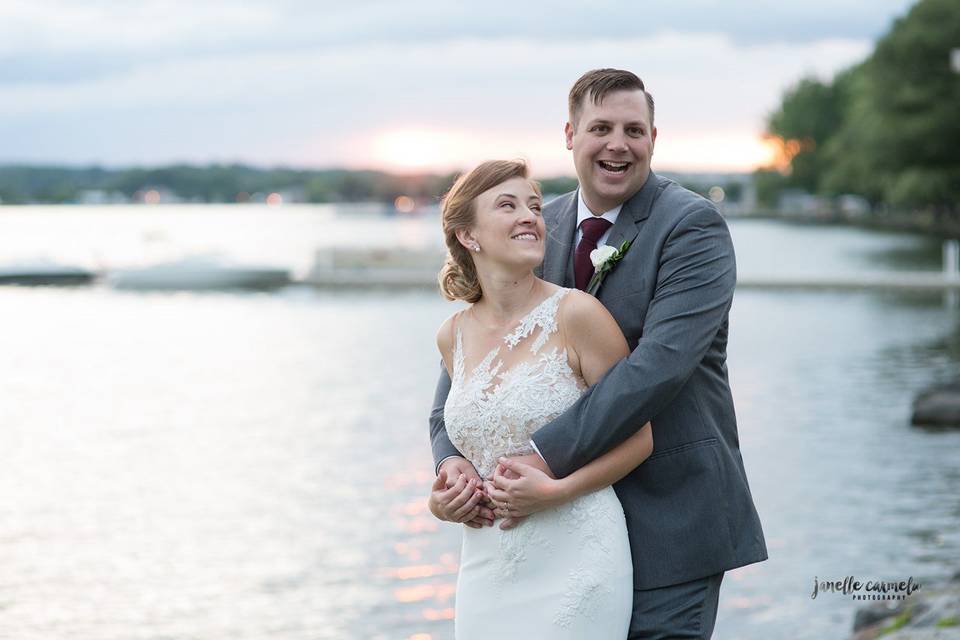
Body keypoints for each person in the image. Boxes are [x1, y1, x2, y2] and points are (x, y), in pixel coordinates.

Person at [428, 68, 767, 639]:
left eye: (634, 130)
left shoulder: (692, 227)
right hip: (543, 531)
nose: (618, 143)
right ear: (570, 134)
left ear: (653, 140)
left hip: (671, 516)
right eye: (601, 127)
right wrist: (450, 464)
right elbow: (469, 370)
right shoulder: (538, 224)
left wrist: (543, 458)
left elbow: (658, 367)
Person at [428, 159, 654, 639]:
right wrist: (447, 491)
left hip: (577, 556)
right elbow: (457, 437)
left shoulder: (578, 314)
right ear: (468, 236)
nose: (530, 215)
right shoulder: (452, 336)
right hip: (485, 566)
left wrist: (558, 490)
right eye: (507, 205)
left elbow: (639, 437)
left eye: (533, 205)